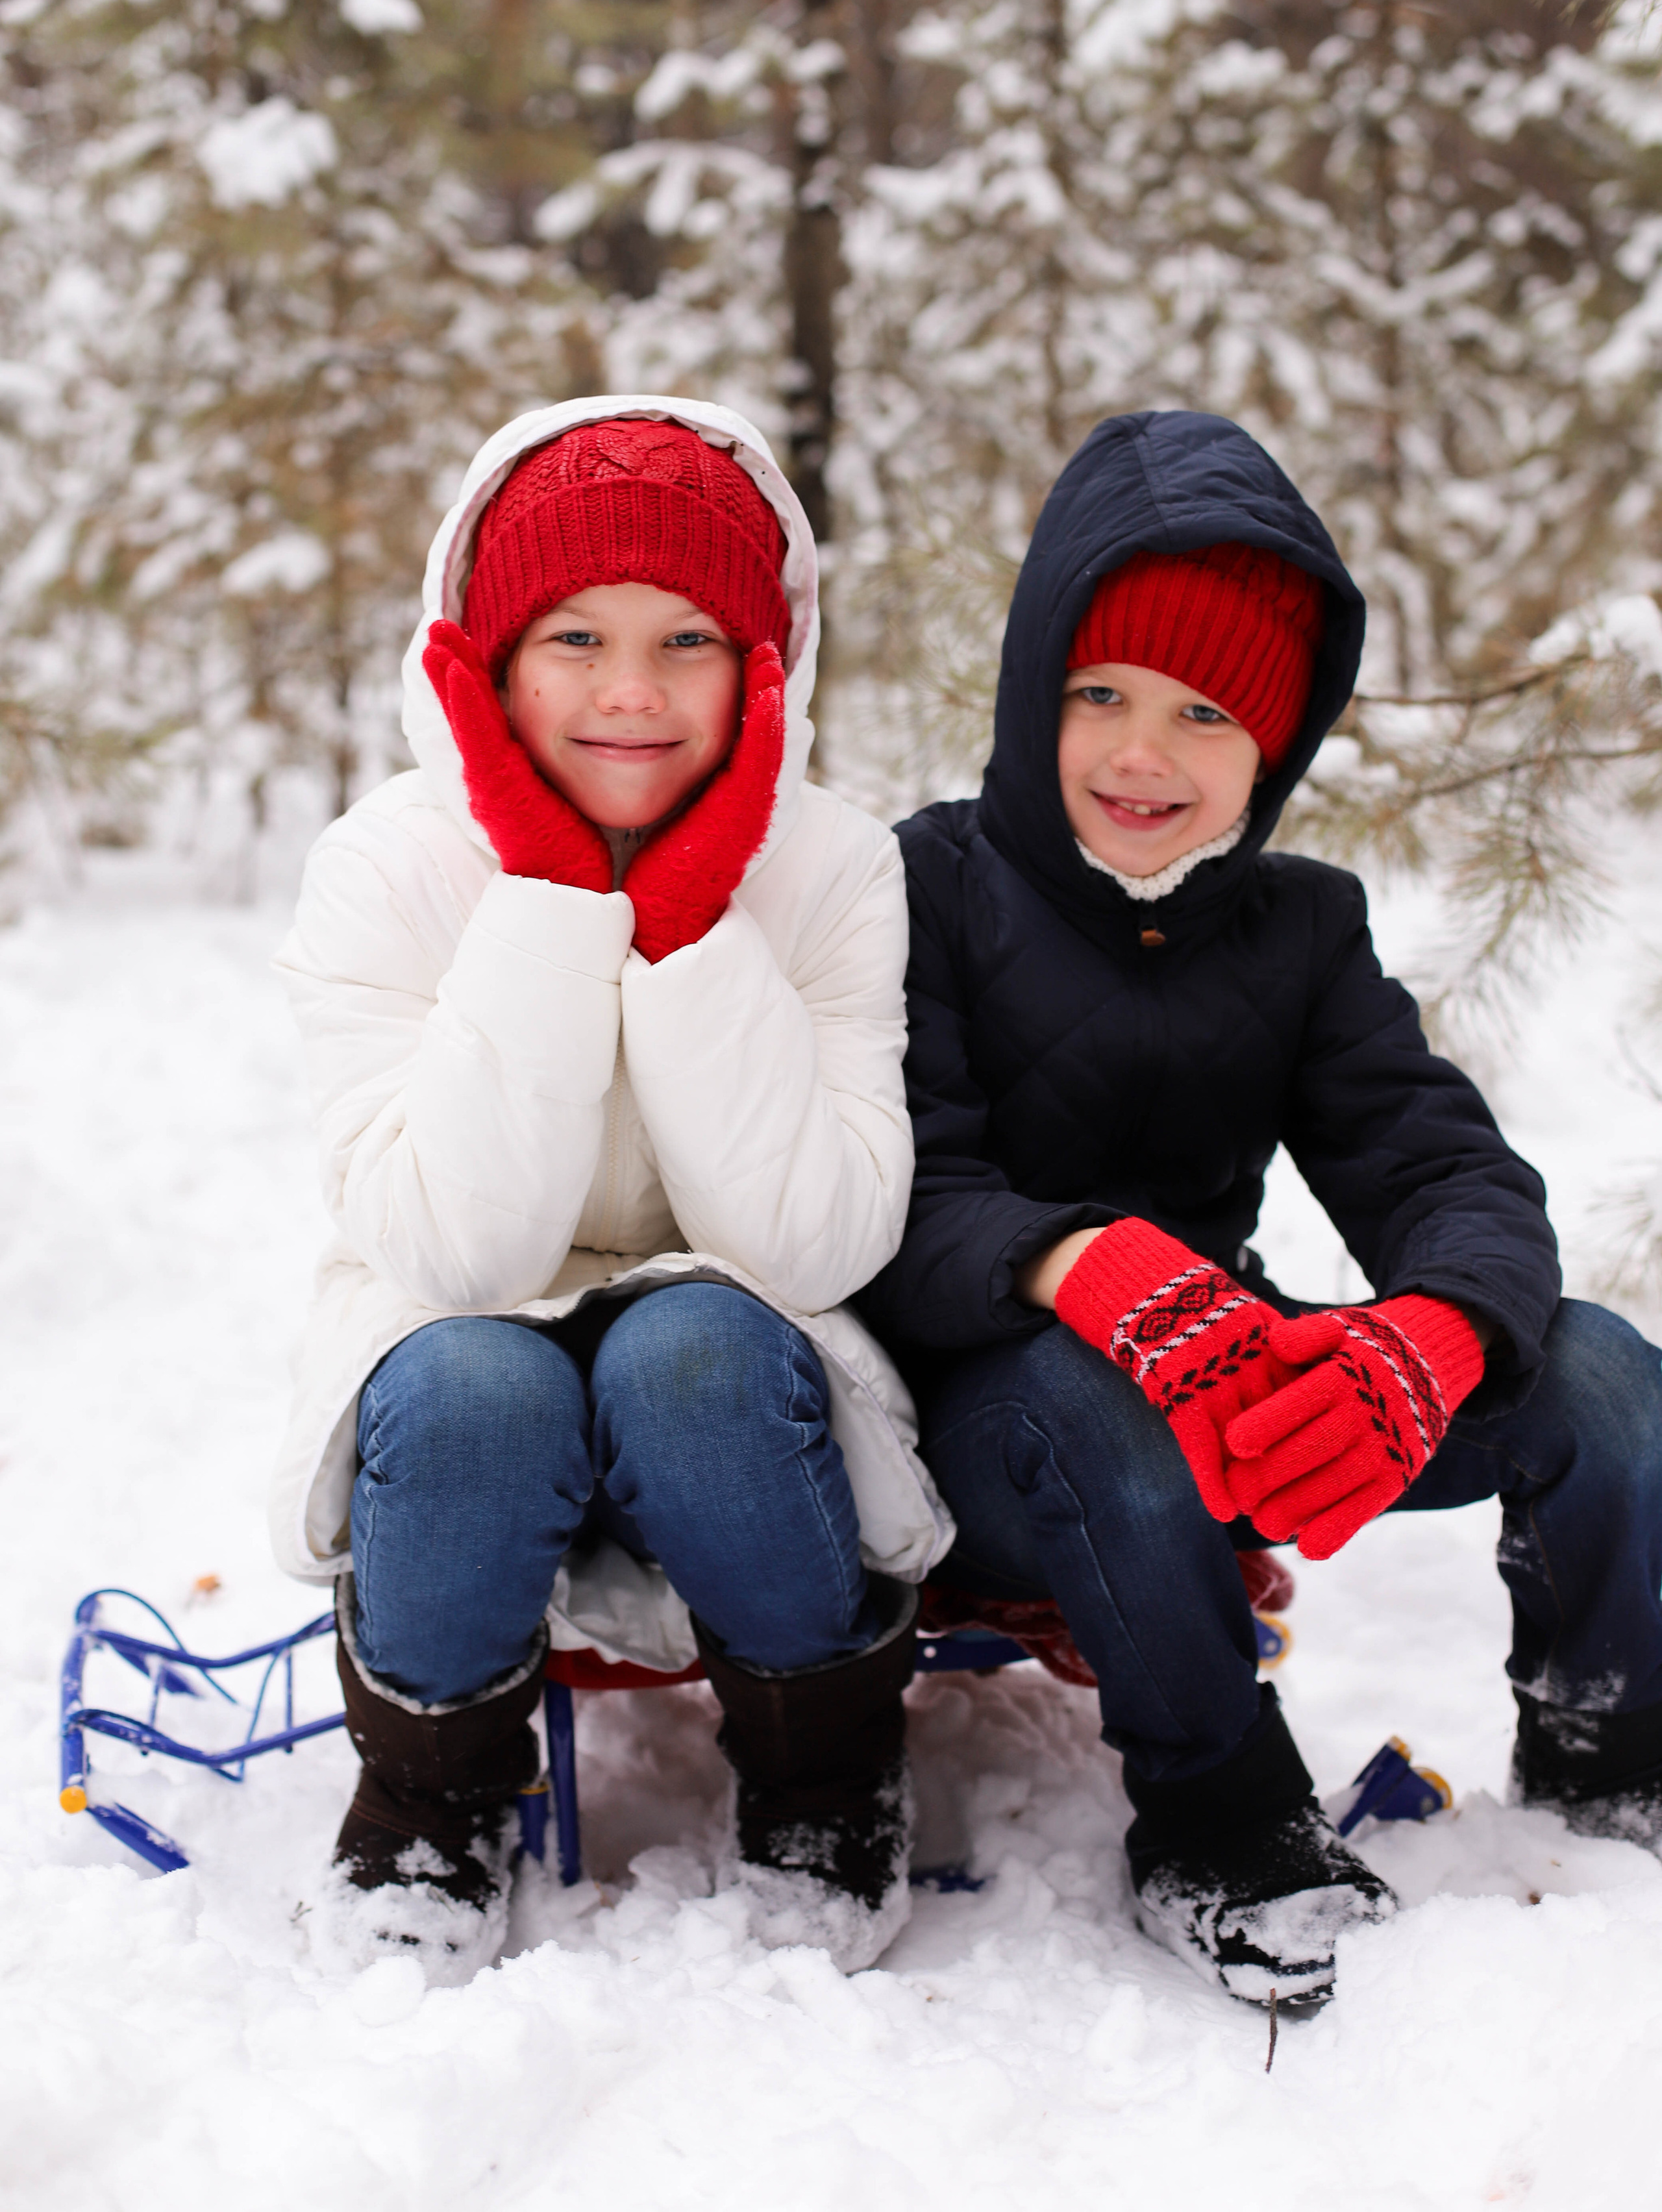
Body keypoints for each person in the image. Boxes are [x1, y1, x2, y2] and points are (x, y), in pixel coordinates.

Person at [858, 408, 1662, 2007]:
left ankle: (1606, 1749)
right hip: (1001, 1411)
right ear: (1033, 689)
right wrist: (1081, 1268)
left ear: (1275, 744)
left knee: (1596, 1375)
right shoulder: (924, 885)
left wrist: (1423, 1340)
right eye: (1099, 694)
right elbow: (897, 1192)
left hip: (1230, 1376)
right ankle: (1218, 1813)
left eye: (1203, 711)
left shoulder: (1300, 928)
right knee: (1101, 1405)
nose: (1141, 753)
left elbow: (1439, 1165)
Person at [272, 396, 951, 1976]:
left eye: (689, 641)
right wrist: (555, 899)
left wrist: (698, 922)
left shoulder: (834, 864)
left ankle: (822, 1773)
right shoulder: (386, 866)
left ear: (766, 663)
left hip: (733, 1322)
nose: (631, 695)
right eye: (573, 637)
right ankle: (430, 1798)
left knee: (694, 1352)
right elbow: (458, 1248)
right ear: (486, 660)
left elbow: (812, 1237)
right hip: (457, 1312)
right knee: (473, 1386)